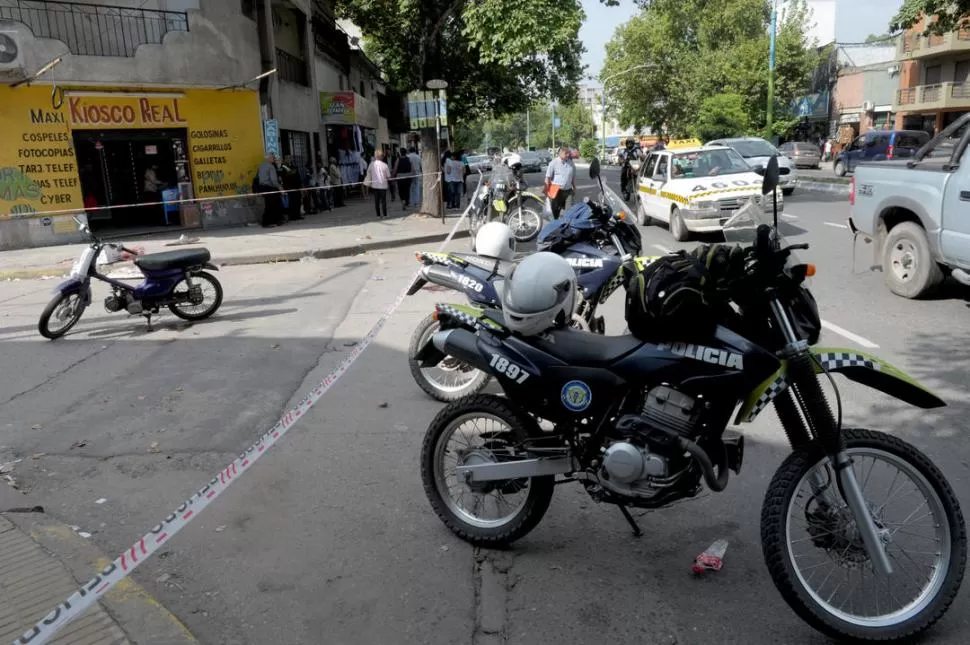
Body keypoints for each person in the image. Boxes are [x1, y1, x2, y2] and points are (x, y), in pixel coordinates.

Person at [544, 145, 576, 219]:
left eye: (568, 153)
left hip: (568, 191)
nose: (568, 155)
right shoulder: (553, 163)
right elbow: (547, 178)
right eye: (566, 153)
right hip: (557, 191)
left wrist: (574, 188)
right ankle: (556, 224)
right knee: (555, 211)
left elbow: (572, 177)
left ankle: (567, 226)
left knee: (569, 211)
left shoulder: (571, 163)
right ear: (560, 153)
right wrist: (547, 191)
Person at [256, 153, 283, 227]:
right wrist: (280, 187)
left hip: (262, 187)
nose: (273, 159)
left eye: (273, 157)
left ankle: (269, 222)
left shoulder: (261, 166)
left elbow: (258, 177)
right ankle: (270, 222)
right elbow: (274, 180)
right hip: (269, 187)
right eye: (272, 157)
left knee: (269, 204)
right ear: (268, 158)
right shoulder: (271, 167)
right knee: (273, 205)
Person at [365, 149, 391, 219]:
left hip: (375, 185)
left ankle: (378, 215)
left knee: (376, 201)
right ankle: (385, 215)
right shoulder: (385, 165)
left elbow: (368, 173)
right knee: (383, 201)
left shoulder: (371, 164)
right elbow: (388, 176)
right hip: (383, 185)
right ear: (381, 156)